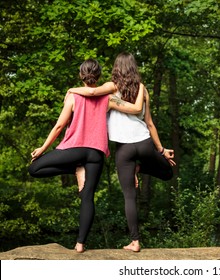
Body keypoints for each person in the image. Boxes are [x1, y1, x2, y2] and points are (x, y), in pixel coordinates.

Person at [28, 58, 145, 253]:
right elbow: (133, 109)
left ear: (81, 75)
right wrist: (141, 91)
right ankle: (80, 244)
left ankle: (76, 167)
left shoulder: (73, 96)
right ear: (98, 75)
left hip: (74, 149)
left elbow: (58, 126)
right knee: (88, 197)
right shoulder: (108, 98)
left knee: (34, 168)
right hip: (96, 153)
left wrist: (43, 147)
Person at [68, 52, 175, 252]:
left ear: (116, 68)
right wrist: (161, 149)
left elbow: (91, 94)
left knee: (129, 196)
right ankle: (140, 166)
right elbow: (149, 123)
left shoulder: (111, 87)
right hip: (144, 143)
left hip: (124, 149)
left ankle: (135, 242)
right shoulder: (142, 89)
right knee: (168, 172)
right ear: (134, 67)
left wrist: (71, 89)